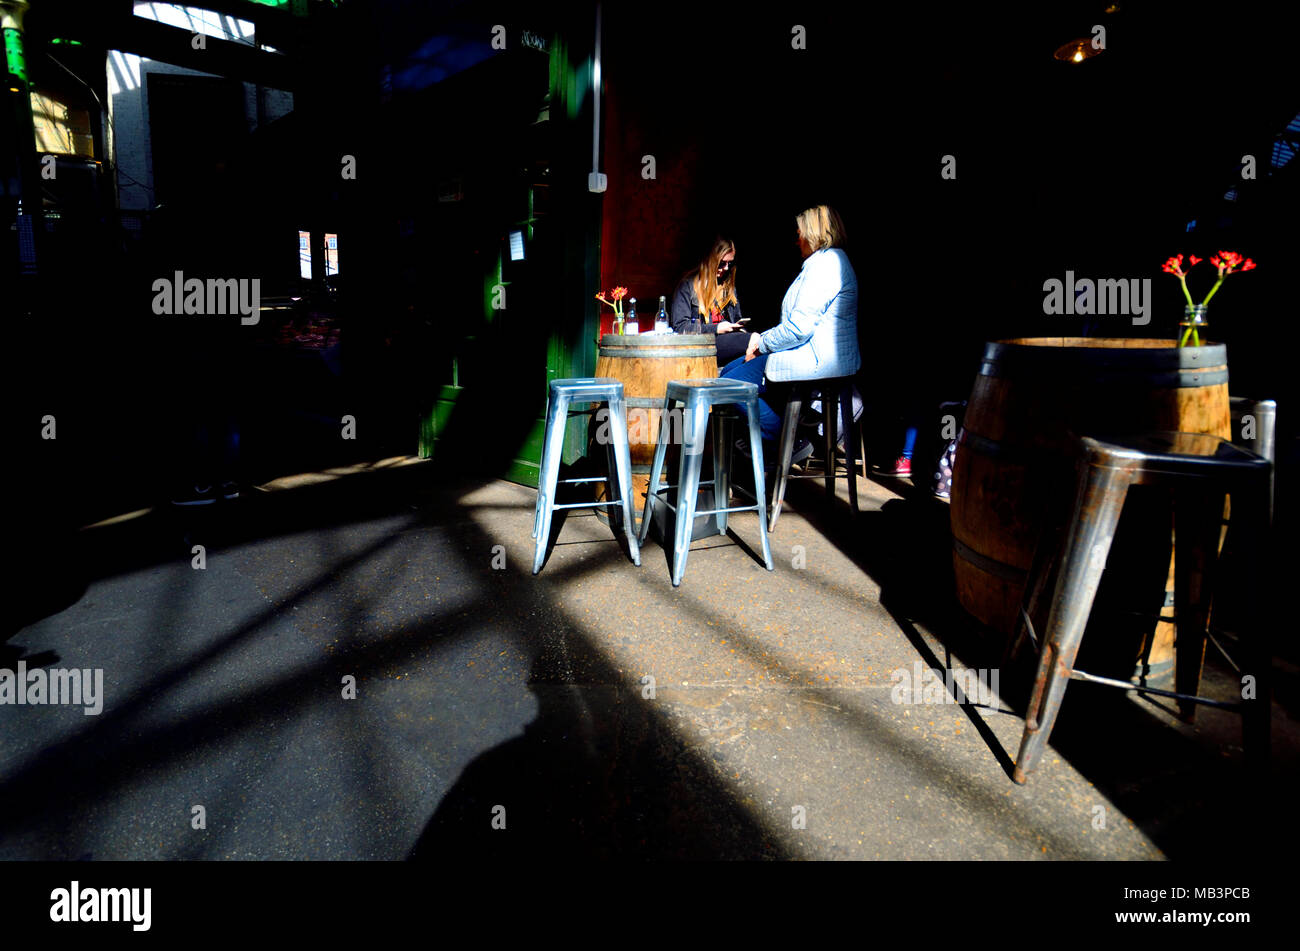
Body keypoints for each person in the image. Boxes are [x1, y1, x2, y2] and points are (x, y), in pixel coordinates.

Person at [720, 205, 859, 466]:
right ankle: (772, 441)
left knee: (729, 385)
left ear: (814, 234)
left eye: (800, 234)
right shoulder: (822, 263)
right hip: (812, 352)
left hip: (816, 358)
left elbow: (798, 328)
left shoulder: (826, 265)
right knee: (728, 371)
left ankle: (785, 438)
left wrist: (761, 345)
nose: (797, 240)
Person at [669, 236, 750, 366]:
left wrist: (736, 327)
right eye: (722, 263)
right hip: (702, 345)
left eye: (730, 263)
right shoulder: (688, 285)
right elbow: (680, 327)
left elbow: (736, 319)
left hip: (727, 343)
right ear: (711, 260)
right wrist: (717, 328)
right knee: (755, 340)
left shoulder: (728, 287)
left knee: (758, 341)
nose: (726, 268)